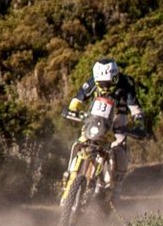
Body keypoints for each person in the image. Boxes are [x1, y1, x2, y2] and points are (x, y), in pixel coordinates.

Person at [62, 58, 147, 205]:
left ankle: (116, 190)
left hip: (117, 120)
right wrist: (73, 111)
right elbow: (78, 99)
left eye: (107, 83)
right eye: (101, 83)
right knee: (80, 142)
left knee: (119, 150)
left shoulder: (125, 84)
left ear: (114, 78)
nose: (104, 86)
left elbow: (135, 107)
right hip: (95, 119)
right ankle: (69, 179)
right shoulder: (92, 83)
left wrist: (139, 123)